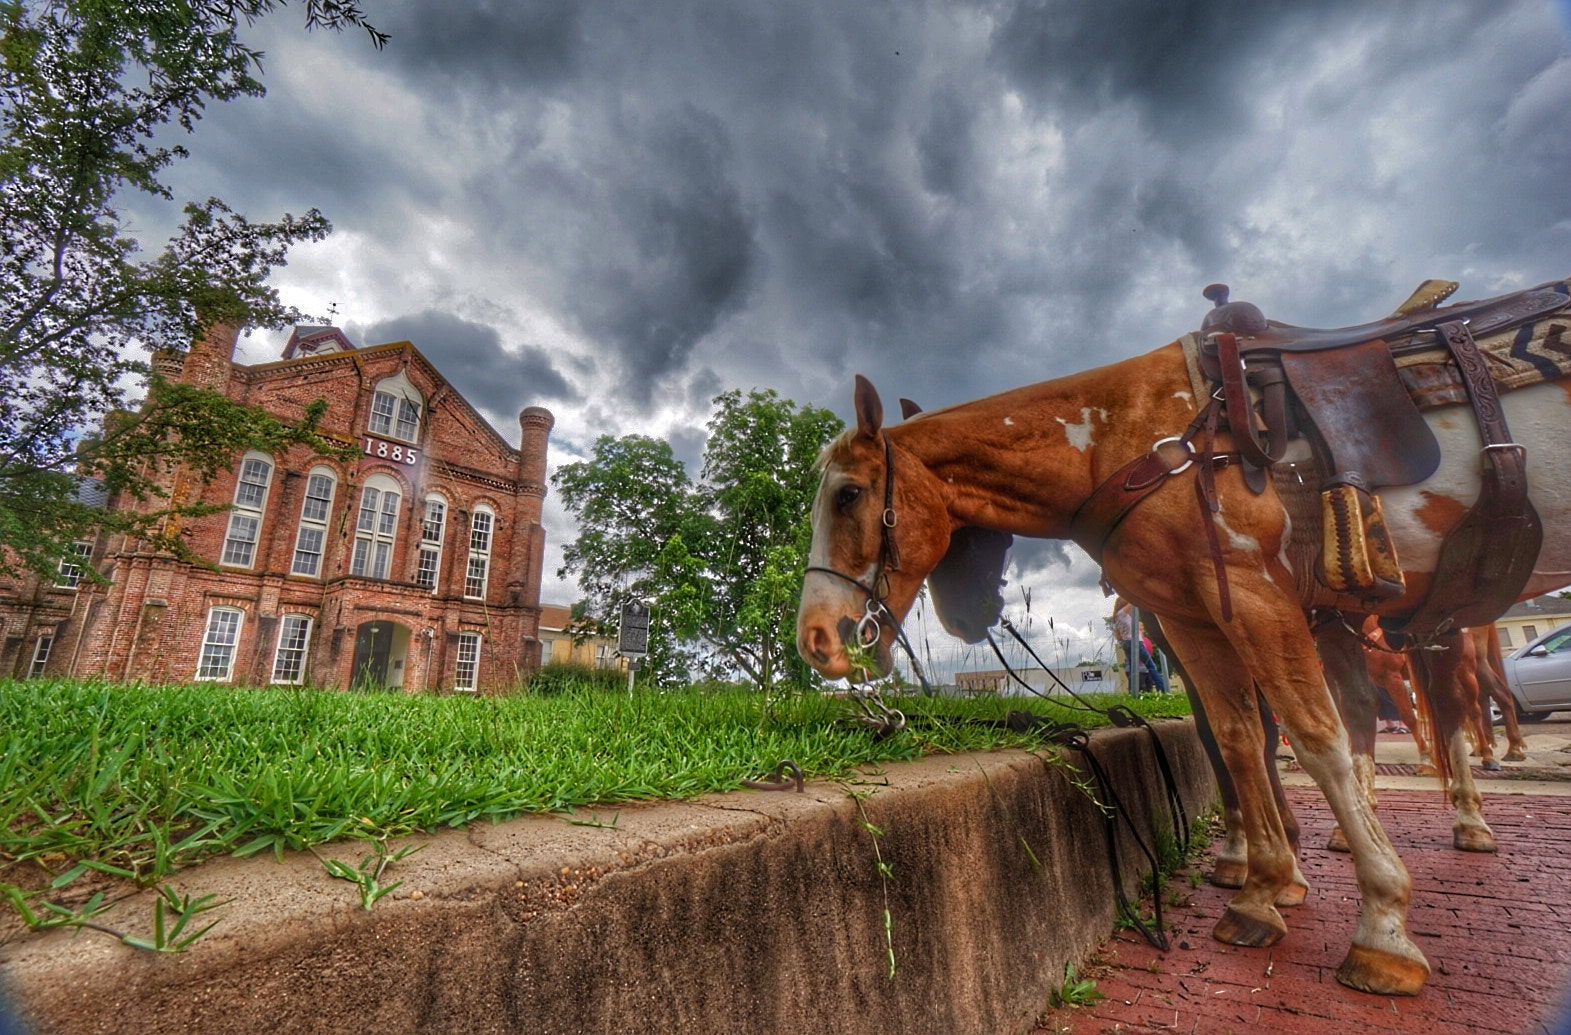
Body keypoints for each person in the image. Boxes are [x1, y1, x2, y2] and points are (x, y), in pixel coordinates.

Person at [1113, 599, 1168, 694]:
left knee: (1132, 669)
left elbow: (1119, 635)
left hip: (1127, 642)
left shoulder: (1117, 617)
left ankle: (1132, 691)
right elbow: (1133, 601)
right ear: (1124, 605)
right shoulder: (1122, 614)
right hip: (1136, 642)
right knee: (1151, 666)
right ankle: (1163, 689)